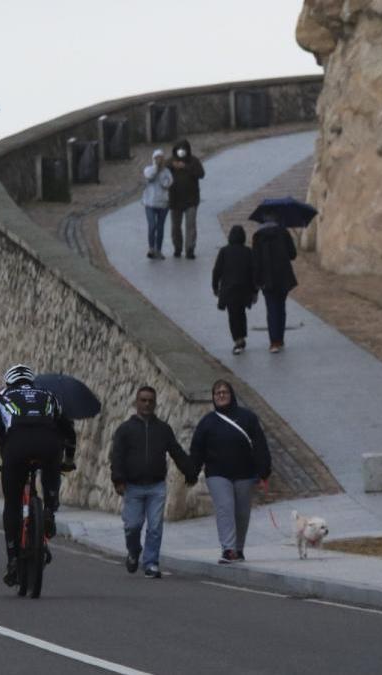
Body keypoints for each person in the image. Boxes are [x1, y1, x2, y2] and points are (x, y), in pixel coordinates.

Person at [0, 364, 77, 587]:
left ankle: (12, 559)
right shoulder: (49, 396)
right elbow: (69, 431)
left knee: (12, 503)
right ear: (31, 382)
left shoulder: (1, 397)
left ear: (9, 382)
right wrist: (68, 460)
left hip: (16, 448)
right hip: (49, 446)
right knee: (51, 471)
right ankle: (49, 509)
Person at [110, 385, 193, 578]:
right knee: (132, 526)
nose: (147, 404)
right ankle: (133, 551)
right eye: (143, 400)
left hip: (156, 486)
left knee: (155, 526)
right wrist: (118, 480)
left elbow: (176, 452)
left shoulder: (163, 429)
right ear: (136, 403)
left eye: (150, 401)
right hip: (133, 487)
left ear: (155, 404)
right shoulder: (125, 430)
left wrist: (190, 472)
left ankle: (151, 563)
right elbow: (117, 457)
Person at [187, 380, 271, 564]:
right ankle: (228, 549)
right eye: (217, 393)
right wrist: (191, 472)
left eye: (224, 392)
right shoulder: (207, 422)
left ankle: (239, 549)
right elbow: (197, 449)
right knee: (225, 508)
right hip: (217, 474)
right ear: (213, 397)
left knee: (241, 513)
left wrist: (264, 470)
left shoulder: (248, 418)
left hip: (245, 473)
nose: (221, 395)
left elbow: (259, 444)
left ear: (231, 394)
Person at [251, 217, 298, 353]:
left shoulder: (258, 236)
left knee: (271, 309)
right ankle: (280, 338)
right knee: (281, 307)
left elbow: (256, 261)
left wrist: (256, 282)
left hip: (267, 279)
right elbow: (293, 254)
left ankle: (274, 342)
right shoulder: (283, 232)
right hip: (283, 276)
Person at [213, 225, 258, 355]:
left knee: (233, 315)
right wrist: (255, 290)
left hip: (229, 290)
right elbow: (253, 272)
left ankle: (238, 340)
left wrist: (215, 287)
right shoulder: (248, 252)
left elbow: (216, 271)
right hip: (244, 290)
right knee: (241, 313)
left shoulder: (224, 251)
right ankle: (242, 337)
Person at [167, 139, 205, 259]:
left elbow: (201, 174)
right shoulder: (170, 161)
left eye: (183, 149)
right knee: (175, 227)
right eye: (179, 149)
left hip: (191, 200)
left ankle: (190, 249)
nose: (181, 152)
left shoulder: (194, 161)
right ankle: (177, 247)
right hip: (175, 200)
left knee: (190, 225)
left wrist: (186, 167)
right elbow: (162, 170)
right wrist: (172, 166)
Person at [142, 149, 173, 259]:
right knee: (152, 226)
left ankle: (158, 250)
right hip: (150, 203)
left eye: (161, 158)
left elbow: (167, 184)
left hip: (163, 204)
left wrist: (161, 171)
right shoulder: (148, 169)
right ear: (154, 159)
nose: (159, 160)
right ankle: (151, 248)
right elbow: (149, 177)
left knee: (160, 227)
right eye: (157, 158)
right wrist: (156, 168)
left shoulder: (167, 172)